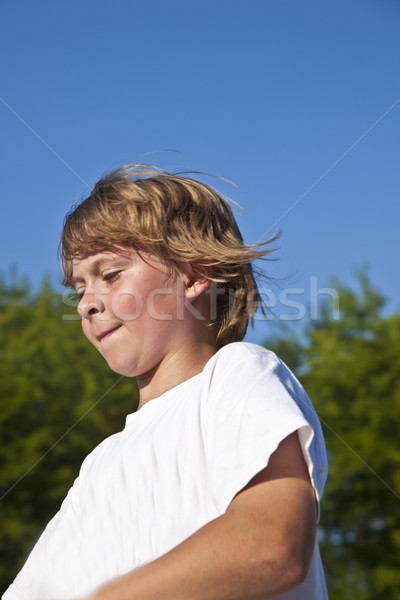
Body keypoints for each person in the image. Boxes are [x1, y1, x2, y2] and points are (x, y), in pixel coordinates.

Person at [3, 164, 329, 600]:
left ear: (194, 275)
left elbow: (272, 545)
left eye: (111, 275)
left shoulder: (236, 375)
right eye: (78, 289)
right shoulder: (99, 466)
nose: (86, 305)